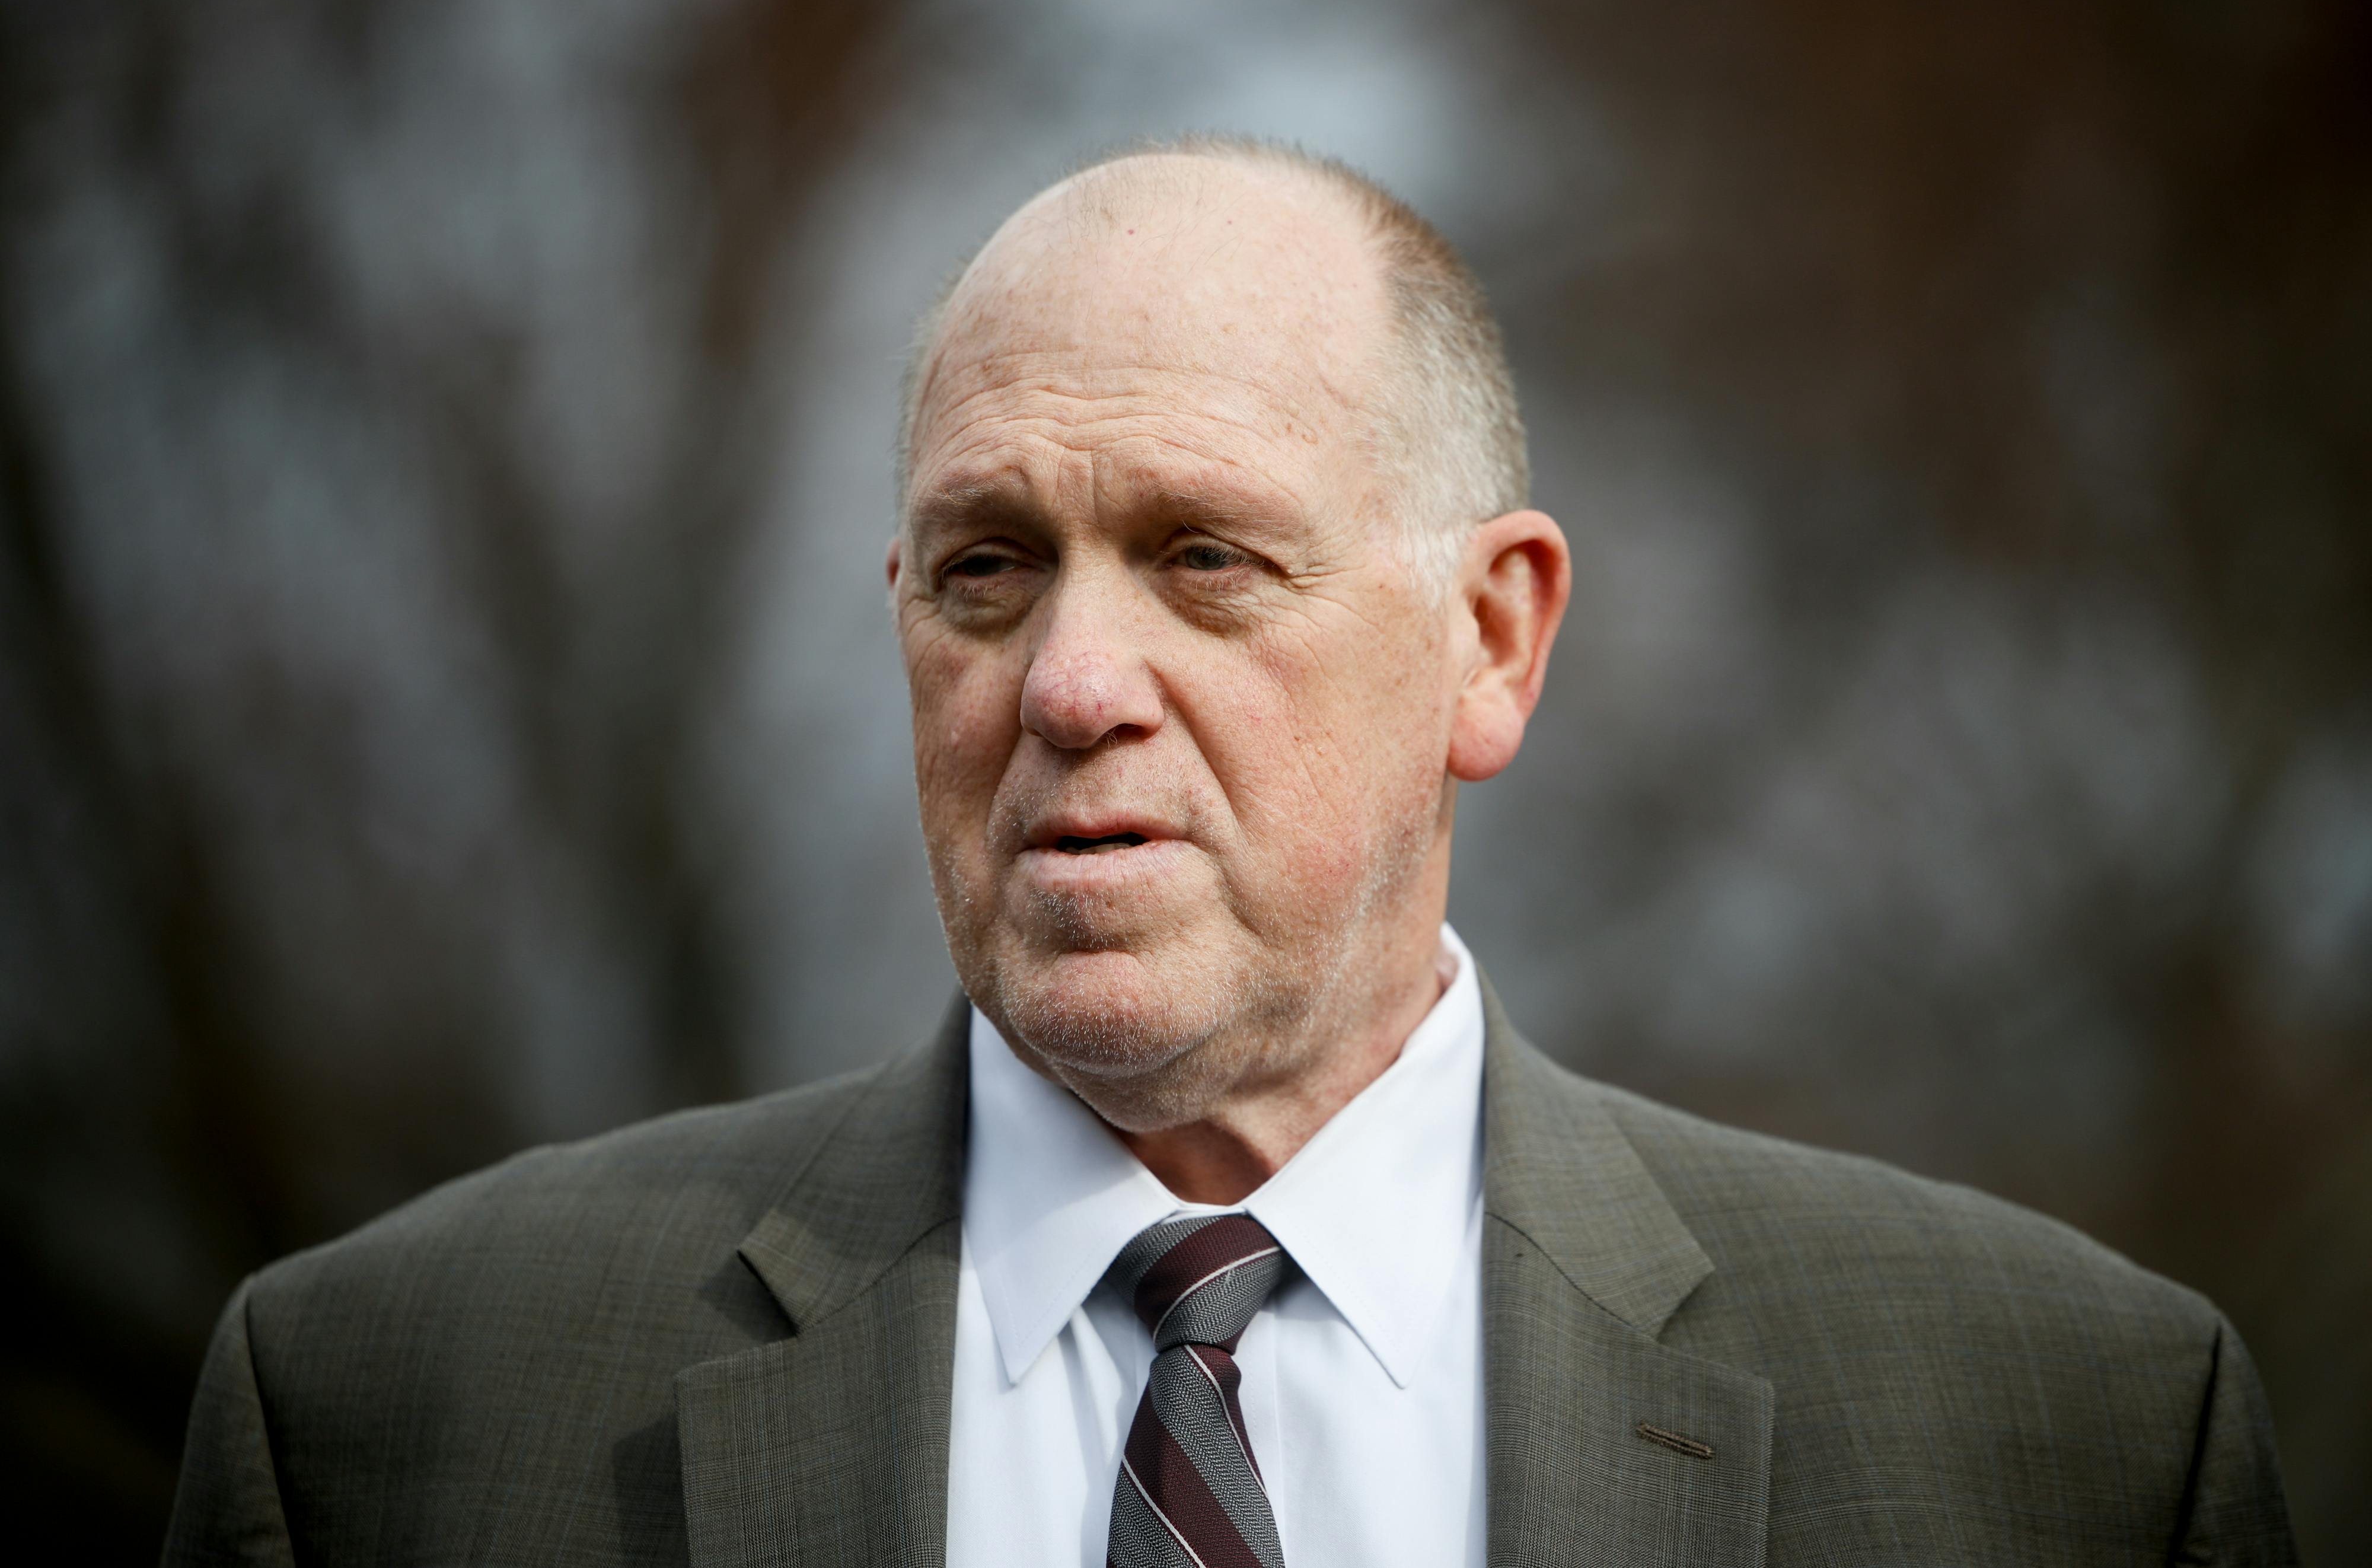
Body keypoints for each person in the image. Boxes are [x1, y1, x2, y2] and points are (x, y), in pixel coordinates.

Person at [164, 137, 2297, 1567]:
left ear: (1490, 636)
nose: (1074, 681)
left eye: (1208, 558)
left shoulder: (2071, 1441)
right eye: (987, 568)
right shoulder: (383, 1422)